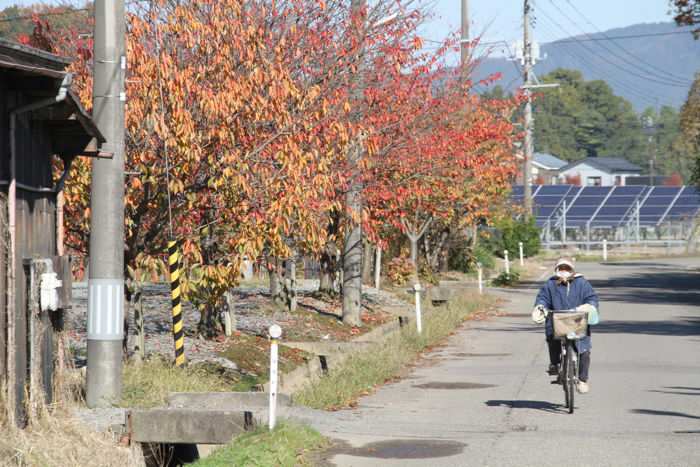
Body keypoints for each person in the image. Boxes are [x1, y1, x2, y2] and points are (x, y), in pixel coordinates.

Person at [531, 257, 599, 394]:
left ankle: (582, 380)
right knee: (552, 339)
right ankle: (555, 364)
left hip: (577, 320)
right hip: (557, 320)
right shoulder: (550, 284)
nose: (563, 271)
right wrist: (541, 307)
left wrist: (589, 306)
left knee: (584, 350)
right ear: (556, 269)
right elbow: (542, 298)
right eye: (561, 268)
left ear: (572, 270)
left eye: (566, 268)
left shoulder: (582, 283)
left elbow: (591, 297)